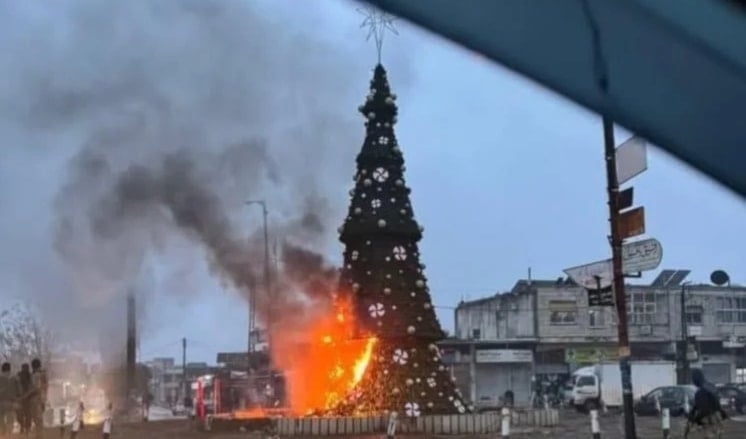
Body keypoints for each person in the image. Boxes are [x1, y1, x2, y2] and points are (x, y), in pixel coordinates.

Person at [687, 368, 727, 438]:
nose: (692, 381)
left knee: (708, 435)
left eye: (693, 379)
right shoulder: (710, 386)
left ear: (696, 379)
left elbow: (703, 409)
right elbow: (716, 401)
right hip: (717, 417)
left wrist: (695, 419)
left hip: (709, 418)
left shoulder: (700, 392)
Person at [29, 358, 48, 438]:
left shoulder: (36, 375)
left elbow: (36, 388)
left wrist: (26, 395)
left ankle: (39, 435)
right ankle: (40, 435)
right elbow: (45, 387)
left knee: (37, 418)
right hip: (42, 398)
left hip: (36, 399)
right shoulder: (43, 374)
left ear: (33, 366)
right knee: (39, 418)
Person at [0, 363, 17, 436]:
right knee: (10, 418)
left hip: (1, 402)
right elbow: (17, 390)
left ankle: (3, 431)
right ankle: (9, 433)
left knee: (1, 418)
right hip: (10, 402)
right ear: (9, 369)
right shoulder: (13, 379)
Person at [17, 363, 32, 435]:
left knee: (27, 415)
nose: (25, 370)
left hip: (27, 399)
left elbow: (31, 387)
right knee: (21, 415)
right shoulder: (19, 376)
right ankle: (23, 427)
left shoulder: (30, 376)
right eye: (24, 368)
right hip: (21, 398)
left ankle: (26, 429)